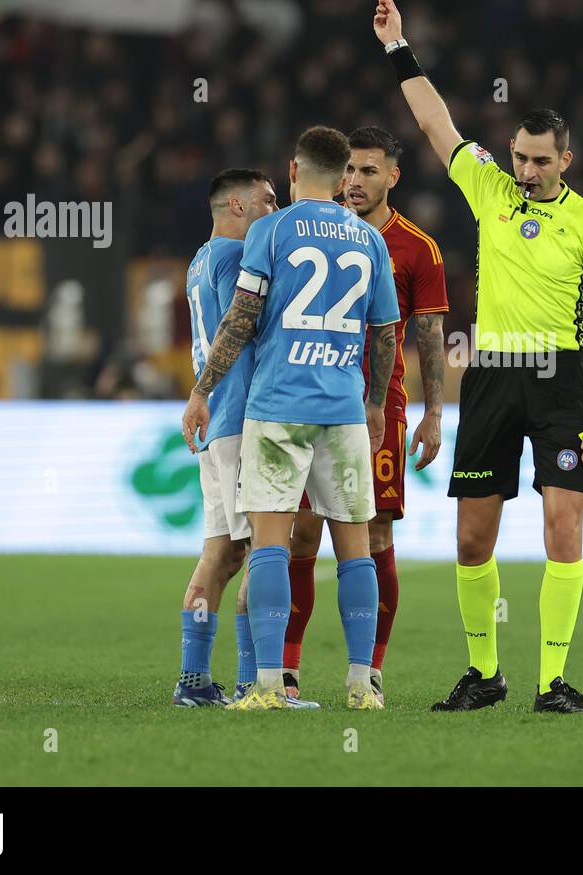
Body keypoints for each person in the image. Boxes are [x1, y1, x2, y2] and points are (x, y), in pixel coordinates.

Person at [374, 0, 583, 714]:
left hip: (559, 380)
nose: (524, 169)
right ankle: (485, 674)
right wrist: (400, 46)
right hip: (491, 374)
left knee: (564, 527)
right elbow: (434, 122)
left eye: (539, 161)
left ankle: (553, 683)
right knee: (470, 538)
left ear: (565, 161)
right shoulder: (488, 185)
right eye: (518, 156)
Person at [181, 126, 400, 711]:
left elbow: (243, 317)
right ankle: (361, 684)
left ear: (294, 170)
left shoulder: (270, 231)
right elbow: (385, 333)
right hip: (344, 407)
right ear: (344, 173)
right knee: (356, 548)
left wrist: (203, 388)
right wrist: (375, 401)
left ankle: (270, 685)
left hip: (278, 408)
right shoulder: (369, 240)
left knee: (271, 546)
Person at [284, 126, 449, 705]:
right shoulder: (313, 232)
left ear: (393, 178)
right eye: (350, 170)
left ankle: (370, 671)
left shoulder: (417, 249)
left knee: (374, 531)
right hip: (307, 400)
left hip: (380, 410)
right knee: (301, 531)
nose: (355, 181)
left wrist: (432, 413)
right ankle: (287, 668)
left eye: (369, 171)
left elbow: (428, 334)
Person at [172, 169, 277, 707]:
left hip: (216, 418)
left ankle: (193, 680)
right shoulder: (237, 258)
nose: (274, 208)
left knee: (222, 551)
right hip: (237, 414)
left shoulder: (199, 259)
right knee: (262, 548)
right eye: (267, 200)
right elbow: (251, 325)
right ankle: (250, 683)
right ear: (237, 204)